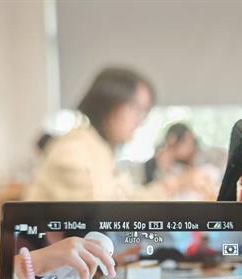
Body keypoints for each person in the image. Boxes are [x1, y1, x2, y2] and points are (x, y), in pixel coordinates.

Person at [27, 67, 176, 201]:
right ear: (109, 104)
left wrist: (175, 185)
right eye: (136, 109)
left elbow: (126, 200)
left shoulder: (99, 149)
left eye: (144, 112)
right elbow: (104, 213)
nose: (140, 120)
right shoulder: (74, 151)